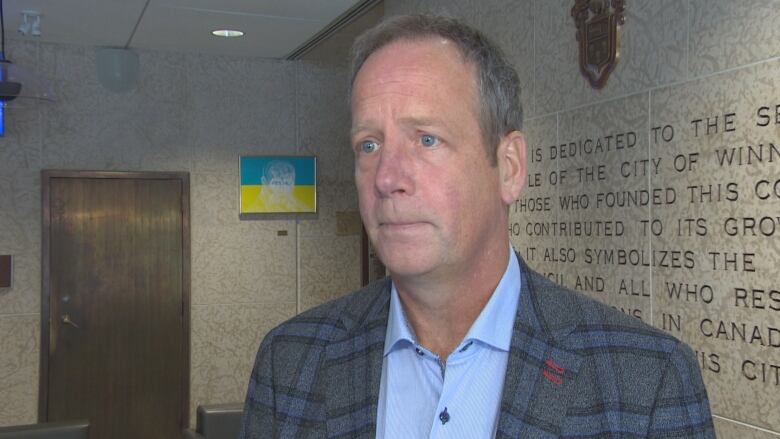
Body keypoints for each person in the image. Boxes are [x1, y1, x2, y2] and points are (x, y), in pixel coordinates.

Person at [239, 14, 715, 438]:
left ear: (509, 167)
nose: (386, 177)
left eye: (426, 139)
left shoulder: (647, 382)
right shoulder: (291, 362)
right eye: (368, 145)